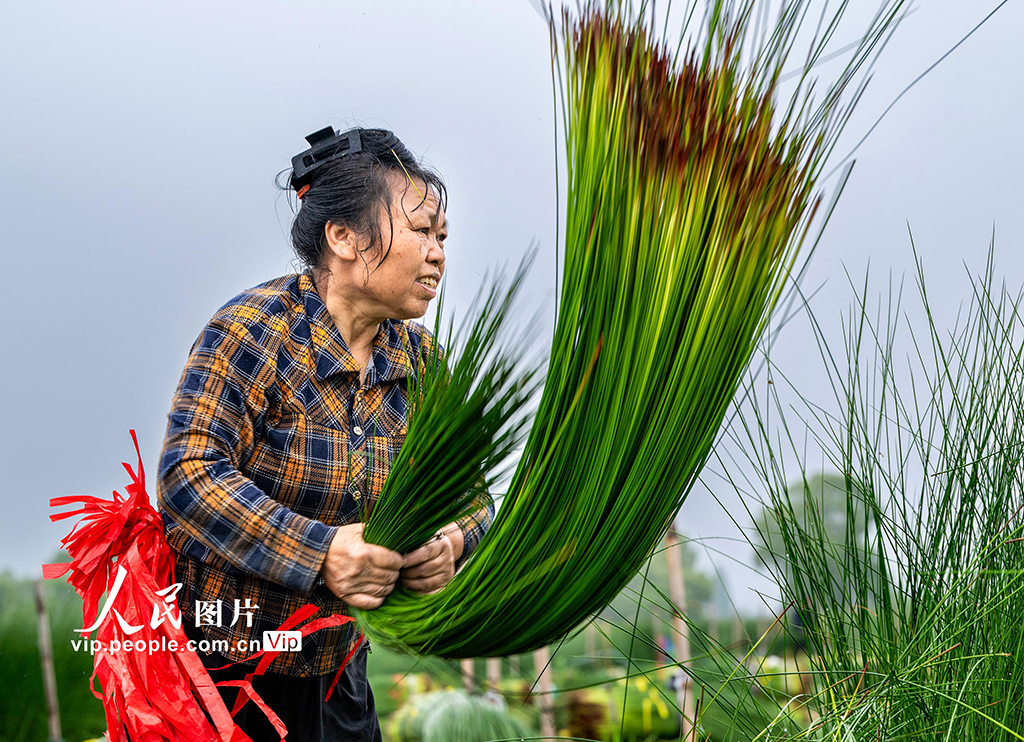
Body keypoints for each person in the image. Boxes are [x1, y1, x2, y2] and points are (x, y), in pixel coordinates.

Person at [156, 126, 493, 741]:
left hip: (339, 677)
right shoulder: (252, 333)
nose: (439, 253)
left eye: (442, 237)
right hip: (227, 679)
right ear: (342, 237)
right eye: (421, 231)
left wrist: (451, 540)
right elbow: (190, 476)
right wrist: (322, 553)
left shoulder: (421, 362)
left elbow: (471, 493)